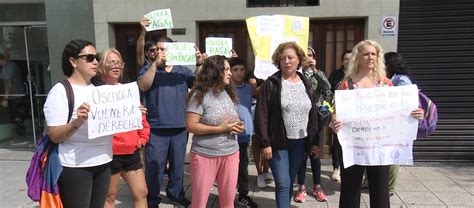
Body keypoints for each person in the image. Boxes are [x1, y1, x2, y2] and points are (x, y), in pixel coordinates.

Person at [331, 40, 424, 208]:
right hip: (354, 145)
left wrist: (415, 113)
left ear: (378, 57)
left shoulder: (386, 83)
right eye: (366, 54)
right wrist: (335, 121)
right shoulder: (346, 84)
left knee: (380, 190)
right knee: (350, 189)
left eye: (374, 54)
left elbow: (399, 110)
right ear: (358, 57)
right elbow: (336, 113)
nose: (370, 57)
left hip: (380, 145)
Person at [43, 39, 112, 208]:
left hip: (104, 161)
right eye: (89, 58)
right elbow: (54, 135)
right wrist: (77, 122)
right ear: (73, 61)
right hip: (76, 165)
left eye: (96, 57)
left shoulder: (101, 90)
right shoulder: (60, 91)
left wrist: (133, 113)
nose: (95, 61)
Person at [137, 36, 204, 207]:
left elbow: (197, 85)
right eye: (158, 49)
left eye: (164, 49)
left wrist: (198, 65)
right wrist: (154, 65)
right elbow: (143, 85)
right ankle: (152, 199)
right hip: (156, 127)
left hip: (180, 126)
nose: (160, 52)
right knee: (154, 167)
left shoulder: (182, 69)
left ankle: (176, 194)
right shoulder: (148, 68)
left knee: (177, 166)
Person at [254, 42, 321, 208]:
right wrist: (265, 143)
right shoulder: (271, 83)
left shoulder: (306, 83)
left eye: (290, 57)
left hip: (300, 142)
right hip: (277, 142)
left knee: (290, 181)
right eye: (282, 58)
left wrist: (315, 142)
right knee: (283, 183)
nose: (287, 61)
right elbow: (261, 115)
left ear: (299, 59)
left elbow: (313, 114)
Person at [93, 48, 150, 208]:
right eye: (112, 62)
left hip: (131, 151)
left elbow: (142, 119)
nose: (116, 66)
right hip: (108, 153)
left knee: (141, 192)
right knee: (109, 196)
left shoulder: (128, 91)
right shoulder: (94, 92)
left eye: (119, 63)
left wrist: (142, 139)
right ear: (101, 67)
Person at [185, 55, 244, 208]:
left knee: (228, 202)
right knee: (199, 203)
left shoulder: (227, 93)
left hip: (231, 153)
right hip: (205, 155)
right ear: (215, 71)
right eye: (226, 69)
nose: (230, 73)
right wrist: (219, 129)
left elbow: (230, 119)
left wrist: (238, 126)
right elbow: (191, 126)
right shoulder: (199, 95)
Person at [361, 52, 413, 196]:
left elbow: (406, 103)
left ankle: (389, 188)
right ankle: (368, 183)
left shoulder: (400, 80)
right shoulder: (387, 79)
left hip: (394, 125)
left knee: (392, 157)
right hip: (377, 125)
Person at [294, 46, 331, 203]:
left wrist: (315, 70)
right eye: (306, 55)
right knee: (301, 155)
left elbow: (328, 89)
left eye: (311, 55)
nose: (308, 58)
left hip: (315, 120)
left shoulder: (319, 74)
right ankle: (301, 187)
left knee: (315, 154)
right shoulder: (296, 75)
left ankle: (317, 186)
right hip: (300, 119)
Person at [228, 57, 258, 208]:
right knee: (230, 167)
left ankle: (244, 194)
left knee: (243, 165)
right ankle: (228, 194)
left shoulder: (248, 88)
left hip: (245, 134)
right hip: (229, 134)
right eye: (235, 70)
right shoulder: (225, 88)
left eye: (241, 69)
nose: (239, 73)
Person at [327, 50, 352, 181]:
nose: (348, 61)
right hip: (338, 113)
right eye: (346, 59)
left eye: (351, 58)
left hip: (353, 115)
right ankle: (336, 167)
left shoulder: (357, 74)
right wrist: (331, 111)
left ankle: (348, 167)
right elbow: (329, 92)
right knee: (337, 141)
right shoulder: (336, 74)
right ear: (342, 61)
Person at [0, 52, 27, 130]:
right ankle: (22, 136)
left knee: (16, 118)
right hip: (19, 95)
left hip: (14, 96)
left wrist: (5, 98)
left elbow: (9, 84)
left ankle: (20, 136)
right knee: (19, 117)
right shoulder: (13, 65)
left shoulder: (6, 69)